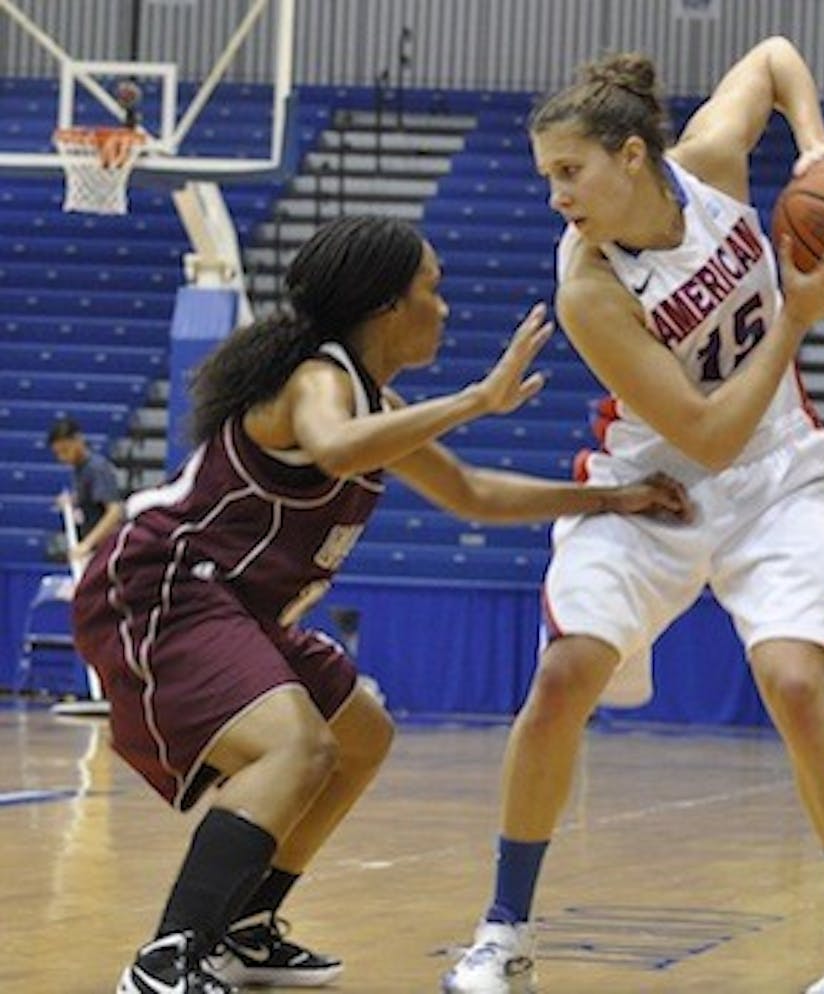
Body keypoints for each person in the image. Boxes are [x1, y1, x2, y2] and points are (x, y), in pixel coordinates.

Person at [71, 215, 691, 994]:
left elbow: (470, 492)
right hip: (164, 582)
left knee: (359, 736)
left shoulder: (372, 400)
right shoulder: (317, 382)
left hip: (236, 606)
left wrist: (611, 498)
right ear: (386, 307)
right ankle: (168, 959)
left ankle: (248, 925)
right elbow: (333, 447)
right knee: (296, 748)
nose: (446, 307)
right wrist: (476, 399)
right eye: (432, 289)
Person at [443, 37, 824, 994]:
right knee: (564, 679)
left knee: (793, 685)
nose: (556, 196)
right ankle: (502, 933)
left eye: (569, 172)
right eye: (546, 178)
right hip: (652, 483)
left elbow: (776, 58)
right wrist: (794, 317)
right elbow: (702, 433)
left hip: (781, 474)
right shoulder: (589, 287)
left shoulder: (711, 167)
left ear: (631, 156)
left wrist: (817, 151)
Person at [48, 416, 123, 567]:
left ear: (78, 439)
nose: (62, 458)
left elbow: (115, 511)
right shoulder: (80, 467)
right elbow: (92, 497)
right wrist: (73, 500)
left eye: (65, 450)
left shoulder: (96, 468)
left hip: (105, 551)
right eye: (58, 454)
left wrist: (87, 544)